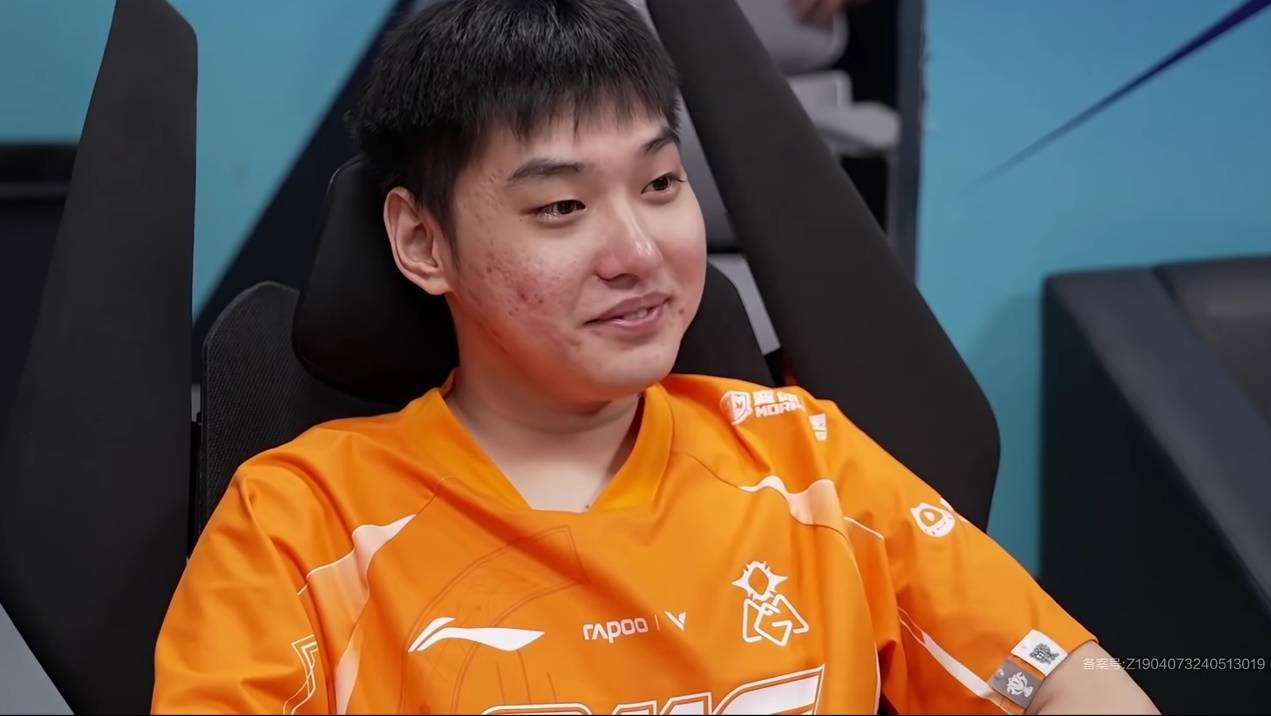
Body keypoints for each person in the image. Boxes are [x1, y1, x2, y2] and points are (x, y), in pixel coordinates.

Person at [151, 1, 1157, 713]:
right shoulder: (301, 521)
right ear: (422, 241)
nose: (637, 251)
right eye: (561, 206)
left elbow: (1055, 678)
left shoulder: (805, 463)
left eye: (661, 185)